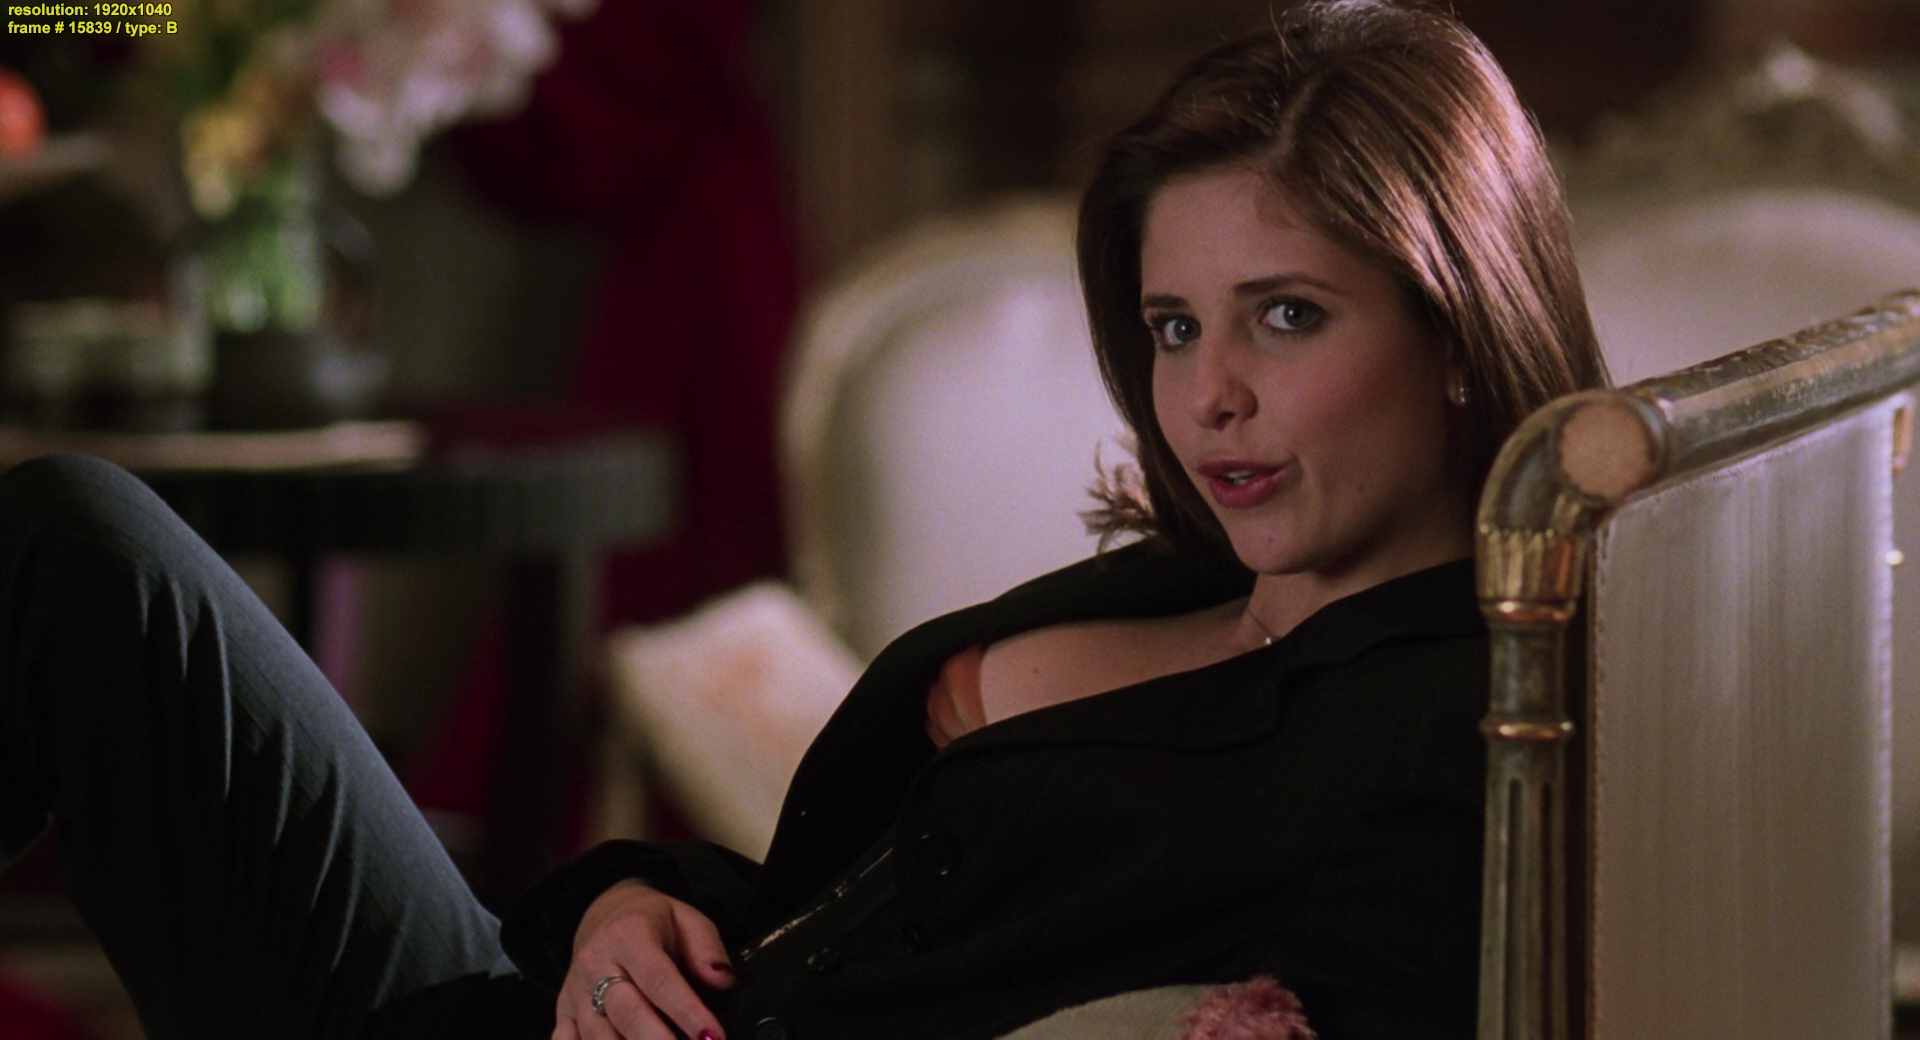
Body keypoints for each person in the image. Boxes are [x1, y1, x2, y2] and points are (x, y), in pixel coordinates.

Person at [0, 2, 1606, 1038]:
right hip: (571, 1000)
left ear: (1459, 332)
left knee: (80, 552)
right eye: (1177, 326)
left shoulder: (1449, 724)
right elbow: (848, 899)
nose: (1210, 398)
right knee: (87, 544)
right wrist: (631, 908)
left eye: (1288, 316)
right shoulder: (1183, 579)